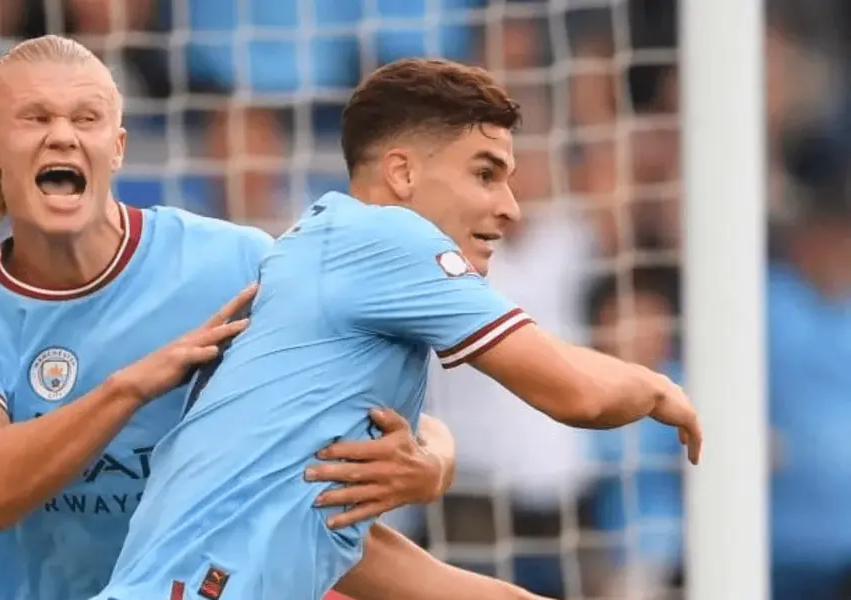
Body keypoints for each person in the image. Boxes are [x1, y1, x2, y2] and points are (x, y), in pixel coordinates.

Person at [0, 35, 497, 600]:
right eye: (36, 117)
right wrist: (133, 385)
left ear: (118, 145)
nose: (62, 137)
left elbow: (389, 420)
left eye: (85, 119)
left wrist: (431, 465)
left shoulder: (239, 263)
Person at [96, 58, 703, 600]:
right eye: (486, 174)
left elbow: (338, 534)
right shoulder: (391, 239)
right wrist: (657, 389)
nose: (510, 206)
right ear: (403, 174)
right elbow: (578, 394)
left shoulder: (335, 251)